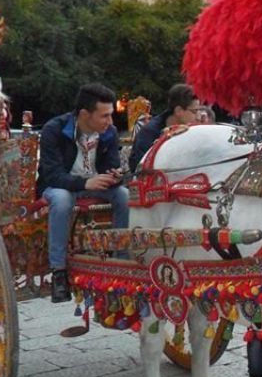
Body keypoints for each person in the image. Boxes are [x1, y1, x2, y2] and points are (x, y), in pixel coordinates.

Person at [39, 84, 129, 303]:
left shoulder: (110, 132)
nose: (110, 121)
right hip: (61, 187)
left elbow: (112, 165)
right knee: (61, 199)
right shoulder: (54, 129)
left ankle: (122, 260)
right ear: (83, 114)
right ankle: (58, 270)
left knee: (125, 195)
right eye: (104, 116)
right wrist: (85, 183)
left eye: (111, 115)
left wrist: (116, 175)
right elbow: (52, 175)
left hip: (95, 185)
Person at [127, 83, 202, 174]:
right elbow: (138, 166)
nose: (198, 117)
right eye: (195, 111)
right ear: (178, 111)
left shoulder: (192, 129)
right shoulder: (150, 132)